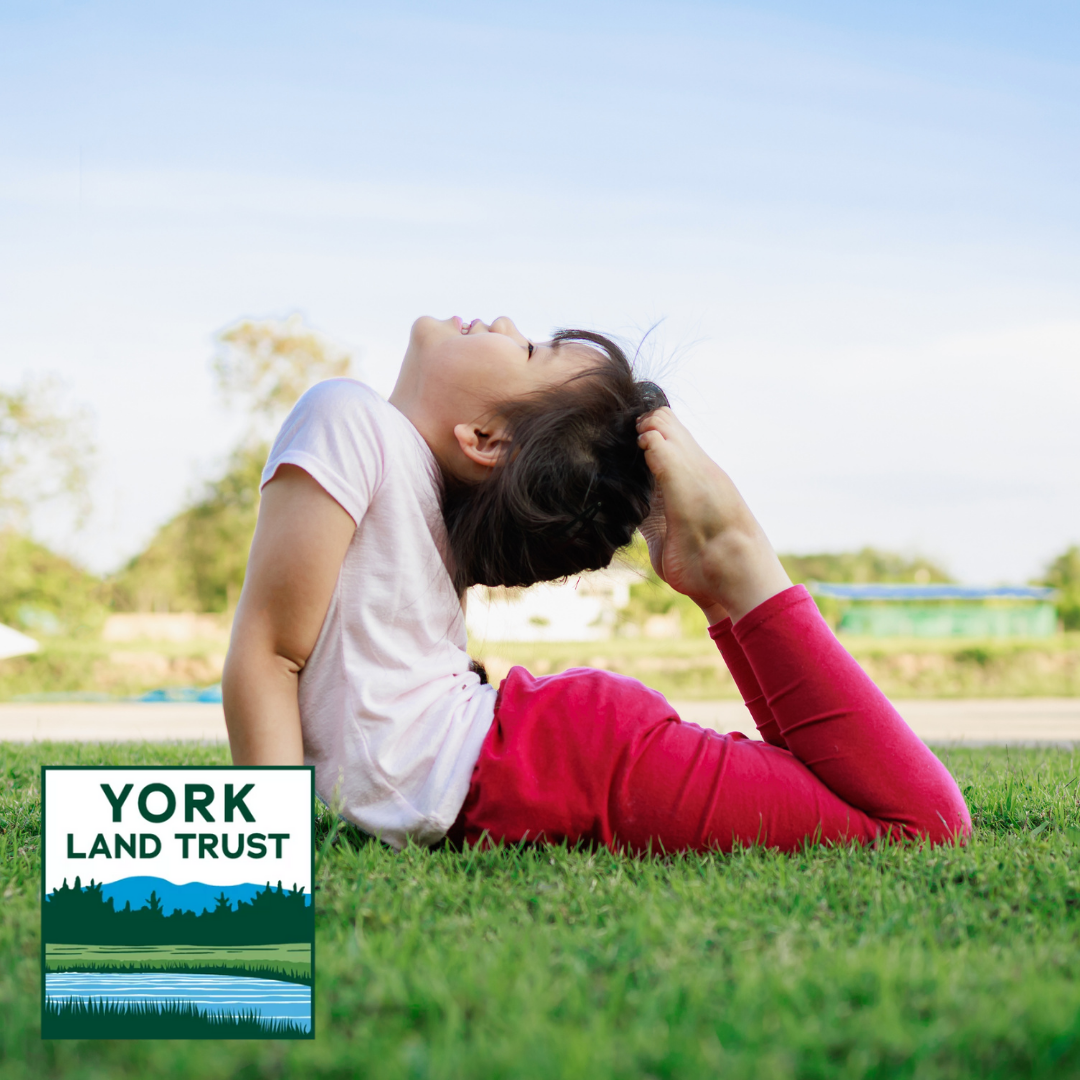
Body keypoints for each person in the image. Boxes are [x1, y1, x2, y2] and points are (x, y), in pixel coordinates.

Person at [223, 315, 971, 854]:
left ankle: (737, 563)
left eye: (528, 349)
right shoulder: (395, 466)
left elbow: (268, 654)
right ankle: (729, 582)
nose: (503, 322)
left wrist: (275, 862)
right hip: (533, 757)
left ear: (485, 439)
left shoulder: (345, 415)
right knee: (903, 820)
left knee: (921, 824)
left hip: (558, 756)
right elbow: (273, 653)